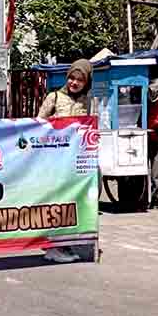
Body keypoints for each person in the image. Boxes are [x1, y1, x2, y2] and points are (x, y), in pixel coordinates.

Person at [36, 59, 92, 264]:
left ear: (87, 82)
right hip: (54, 161)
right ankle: (53, 247)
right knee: (57, 202)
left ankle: (62, 244)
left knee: (71, 202)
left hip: (75, 161)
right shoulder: (54, 97)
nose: (74, 83)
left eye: (80, 80)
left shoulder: (86, 100)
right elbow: (38, 125)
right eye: (71, 78)